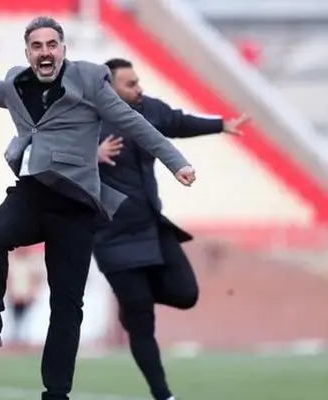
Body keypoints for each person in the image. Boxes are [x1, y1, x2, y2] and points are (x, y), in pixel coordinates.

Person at [0, 16, 196, 400]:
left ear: (63, 49)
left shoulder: (89, 81)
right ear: (28, 53)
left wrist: (176, 163)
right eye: (37, 46)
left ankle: (56, 394)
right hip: (33, 191)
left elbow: (134, 124)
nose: (45, 52)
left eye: (51, 44)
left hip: (76, 202)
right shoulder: (18, 83)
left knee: (67, 305)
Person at [94, 58, 250, 400]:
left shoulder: (148, 110)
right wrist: (91, 154)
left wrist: (220, 125)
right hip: (110, 237)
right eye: (130, 84)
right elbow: (49, 154)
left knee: (186, 294)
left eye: (138, 81)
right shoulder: (85, 116)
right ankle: (163, 394)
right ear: (108, 88)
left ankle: (133, 301)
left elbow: (177, 121)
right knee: (142, 323)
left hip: (151, 226)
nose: (139, 88)